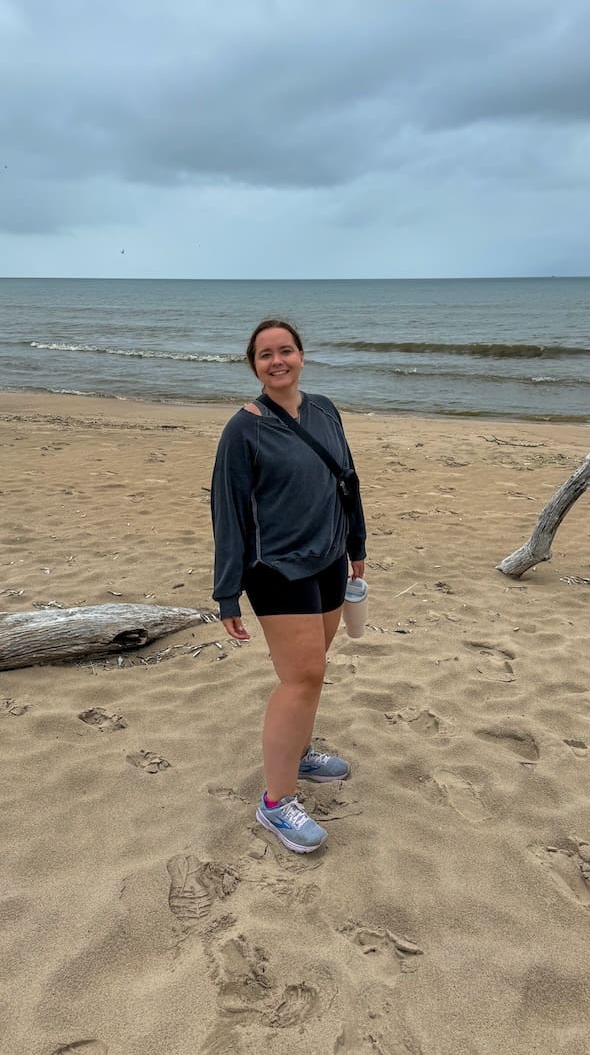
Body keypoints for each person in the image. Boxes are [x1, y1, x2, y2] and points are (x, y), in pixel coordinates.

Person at [211, 319, 366, 853]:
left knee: (313, 672)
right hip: (274, 568)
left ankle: (297, 751)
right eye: (264, 355)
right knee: (302, 676)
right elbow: (227, 512)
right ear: (252, 365)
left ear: (302, 355)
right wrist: (227, 591)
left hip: (327, 559)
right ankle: (275, 804)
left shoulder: (324, 410)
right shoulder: (243, 429)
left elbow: (347, 480)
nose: (277, 361)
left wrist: (357, 547)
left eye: (286, 351)